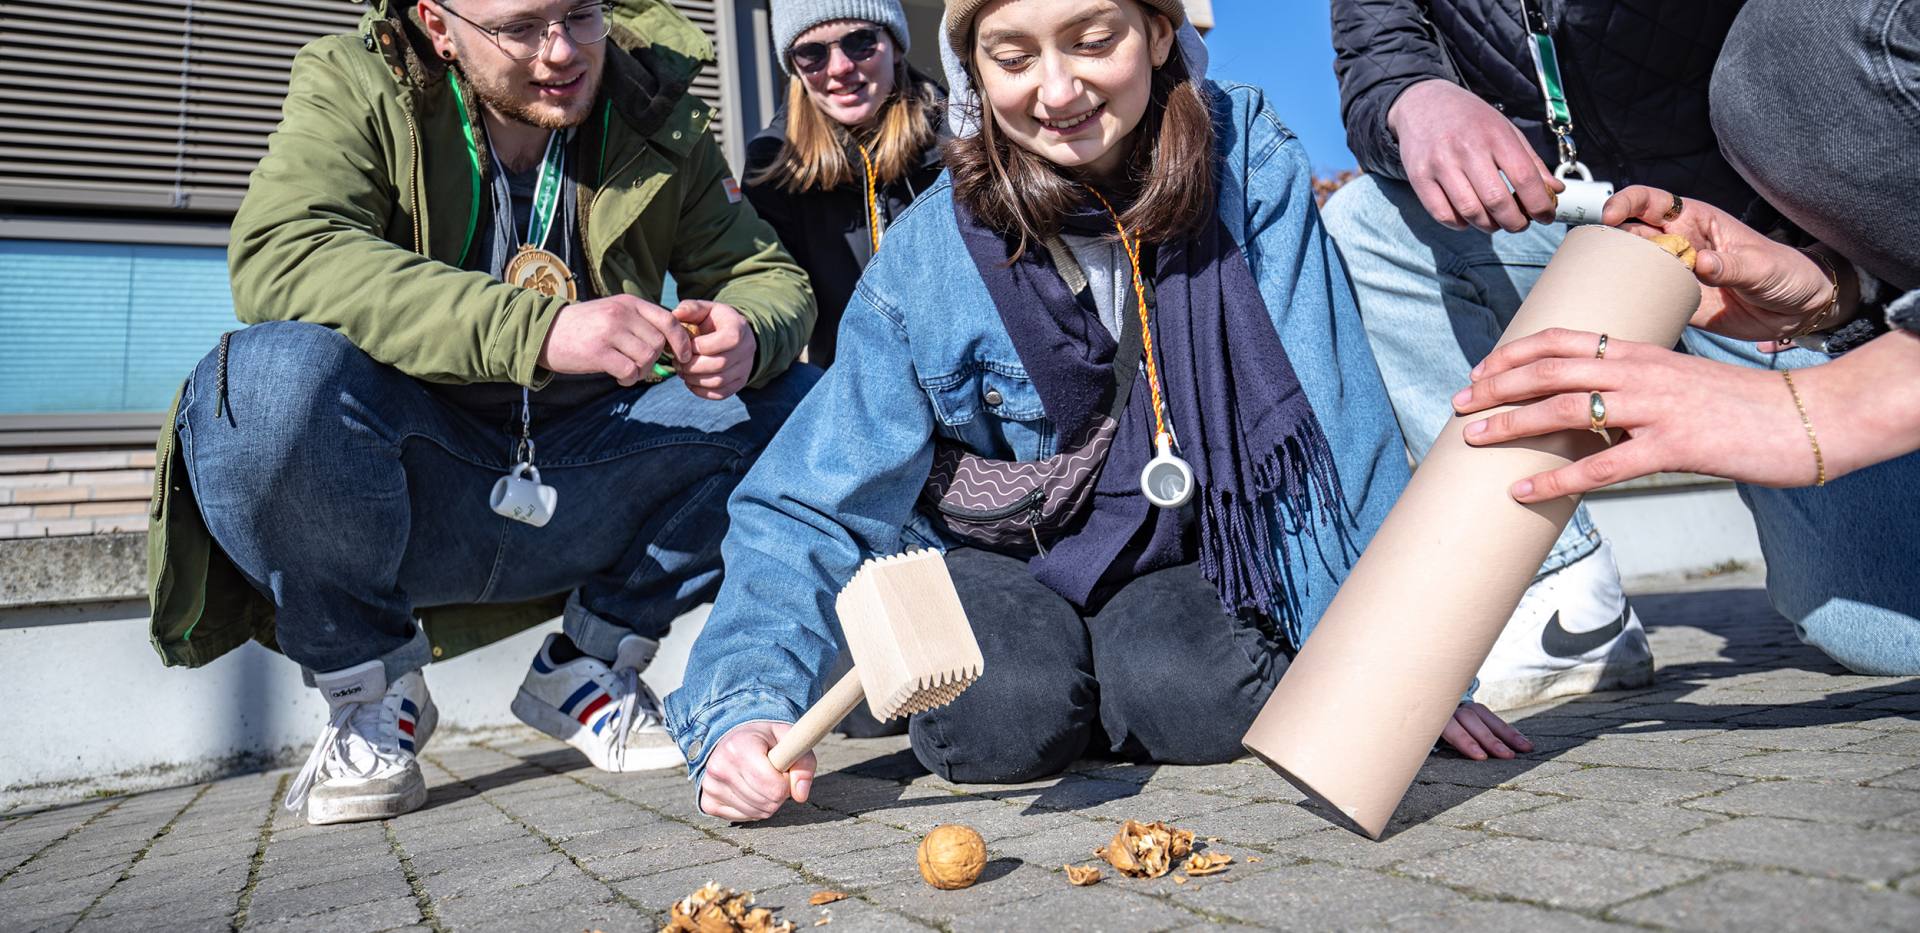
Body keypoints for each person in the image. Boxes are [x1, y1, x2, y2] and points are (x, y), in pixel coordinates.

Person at [666, 0, 1531, 824]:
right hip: (995, 555)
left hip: (1180, 544)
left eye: (1091, 39)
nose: (1057, 90)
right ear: (973, 69)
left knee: (1200, 699)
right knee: (1000, 719)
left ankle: (1115, 674)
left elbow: (1333, 427)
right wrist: (745, 706)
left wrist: (1406, 675)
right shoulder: (926, 259)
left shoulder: (1246, 167)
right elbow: (808, 498)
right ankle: (1068, 675)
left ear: (1157, 33)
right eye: (1013, 58)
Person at [146, 0, 817, 825]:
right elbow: (288, 253)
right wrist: (537, 328)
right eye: (521, 28)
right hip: (404, 481)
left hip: (583, 473)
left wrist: (750, 330)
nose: (561, 52)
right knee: (264, 383)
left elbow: (766, 273)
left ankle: (590, 663)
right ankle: (371, 689)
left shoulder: (653, 110)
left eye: (580, 14)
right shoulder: (353, 82)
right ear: (438, 24)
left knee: (798, 407)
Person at [1454, 0, 1920, 675]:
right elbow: (1378, 39)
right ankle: (1562, 594)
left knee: (1784, 56)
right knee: (1875, 629)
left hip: (1754, 203)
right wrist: (1836, 289)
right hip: (1737, 266)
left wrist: (1823, 407)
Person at [1324, 0, 1756, 708]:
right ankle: (1569, 597)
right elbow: (1377, 53)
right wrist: (1415, 94)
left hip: (1751, 249)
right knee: (1365, 224)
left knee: (1876, 634)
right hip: (1561, 236)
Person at [745, 0, 947, 368]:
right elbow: (771, 288)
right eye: (811, 53)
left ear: (896, 44)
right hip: (849, 392)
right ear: (795, 67)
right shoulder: (774, 166)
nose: (839, 68)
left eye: (860, 42)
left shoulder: (964, 141)